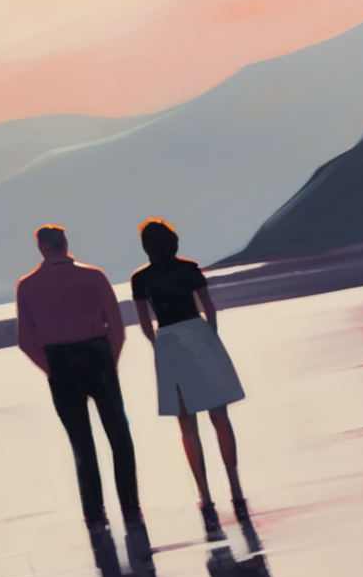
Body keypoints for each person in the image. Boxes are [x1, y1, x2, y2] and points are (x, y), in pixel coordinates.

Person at [15, 225, 143, 534]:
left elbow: (25, 340)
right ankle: (130, 505)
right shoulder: (93, 276)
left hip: (60, 361)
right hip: (97, 354)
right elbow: (116, 325)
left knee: (81, 442)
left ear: (41, 247)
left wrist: (50, 367)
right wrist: (109, 361)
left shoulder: (28, 286)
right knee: (118, 435)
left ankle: (93, 511)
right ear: (65, 243)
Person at [130, 219, 247, 539]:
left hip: (169, 341)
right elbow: (210, 309)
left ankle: (205, 495)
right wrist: (209, 337)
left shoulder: (140, 279)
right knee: (219, 415)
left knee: (187, 422)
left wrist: (159, 346)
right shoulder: (190, 269)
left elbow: (144, 324)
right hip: (198, 335)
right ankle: (235, 489)